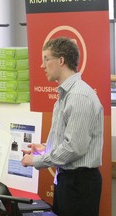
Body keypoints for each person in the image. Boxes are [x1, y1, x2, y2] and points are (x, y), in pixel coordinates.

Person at [21, 37, 103, 216]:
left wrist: (36, 161)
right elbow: (69, 139)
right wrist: (44, 149)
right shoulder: (65, 95)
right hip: (66, 180)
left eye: (46, 59)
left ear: (61, 60)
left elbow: (74, 148)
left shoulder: (79, 96)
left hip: (79, 184)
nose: (42, 66)